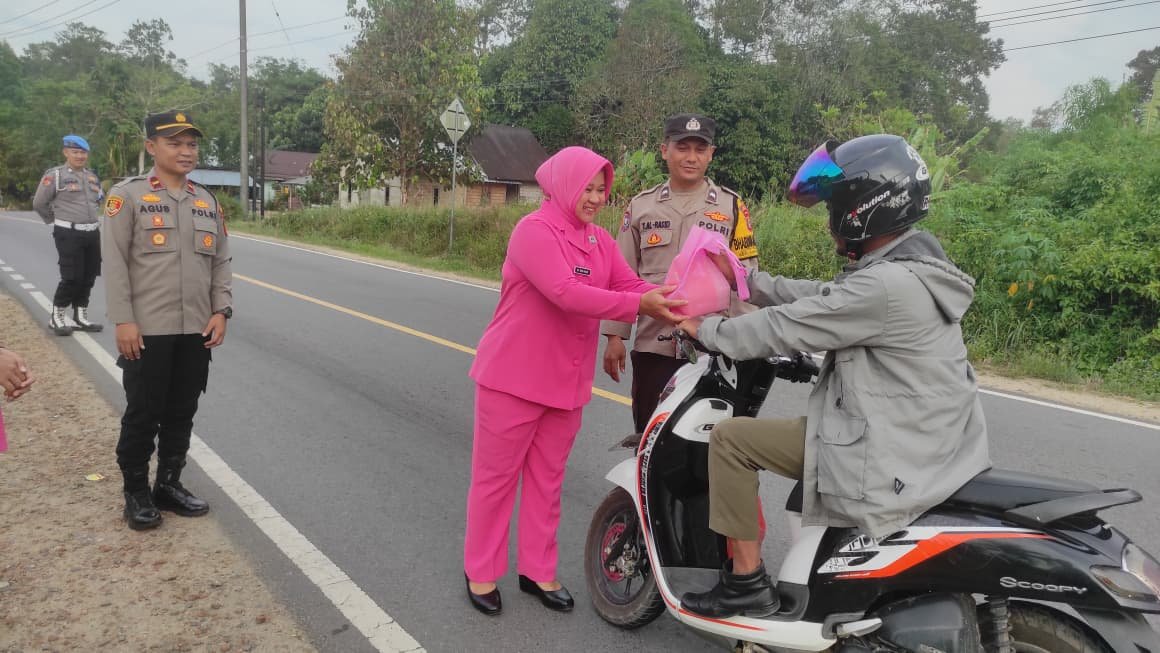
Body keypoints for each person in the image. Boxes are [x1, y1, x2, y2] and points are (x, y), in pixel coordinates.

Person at [676, 134, 991, 618]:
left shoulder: (885, 285)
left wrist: (707, 330)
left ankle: (744, 583)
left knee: (731, 440)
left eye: (834, 207)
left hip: (889, 447)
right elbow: (825, 297)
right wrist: (748, 282)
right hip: (922, 437)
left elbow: (788, 326)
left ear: (862, 209)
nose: (829, 221)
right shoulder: (911, 267)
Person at [463, 146, 685, 616]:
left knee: (547, 482)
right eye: (588, 187)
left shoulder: (599, 241)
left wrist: (671, 297)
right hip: (512, 379)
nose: (596, 197)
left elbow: (628, 285)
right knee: (495, 481)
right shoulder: (533, 231)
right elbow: (567, 293)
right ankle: (481, 570)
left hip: (564, 385)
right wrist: (640, 305)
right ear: (563, 185)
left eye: (602, 189)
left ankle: (537, 570)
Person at [101, 110, 233, 531]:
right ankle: (136, 492)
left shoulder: (206, 200)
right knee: (143, 412)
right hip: (147, 330)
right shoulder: (128, 196)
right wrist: (123, 320)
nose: (185, 151)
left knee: (182, 411)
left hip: (195, 328)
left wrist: (221, 310)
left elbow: (221, 262)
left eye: (191, 144)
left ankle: (168, 485)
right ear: (151, 147)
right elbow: (115, 263)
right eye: (174, 143)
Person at [601, 113, 760, 436]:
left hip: (712, 347)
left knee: (708, 440)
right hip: (653, 346)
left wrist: (746, 342)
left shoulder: (731, 207)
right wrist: (615, 337)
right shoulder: (641, 206)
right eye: (682, 148)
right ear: (665, 150)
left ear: (711, 154)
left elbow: (746, 279)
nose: (691, 157)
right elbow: (621, 272)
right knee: (648, 434)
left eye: (700, 149)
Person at [32, 134, 106, 335]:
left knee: (89, 276)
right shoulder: (56, 175)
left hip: (92, 232)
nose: (80, 156)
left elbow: (98, 201)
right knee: (71, 277)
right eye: (75, 152)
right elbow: (39, 203)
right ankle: (57, 316)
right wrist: (56, 221)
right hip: (68, 233)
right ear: (66, 152)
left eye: (83, 152)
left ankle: (80, 316)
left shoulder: (92, 176)